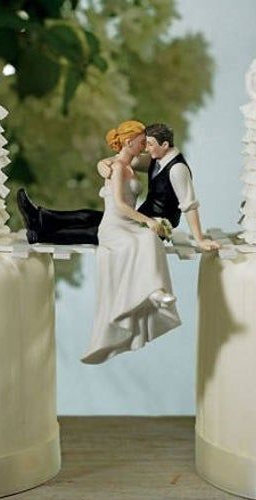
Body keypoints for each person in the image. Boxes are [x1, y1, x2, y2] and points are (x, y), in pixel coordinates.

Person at [16, 123, 220, 252]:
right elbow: (122, 162)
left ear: (164, 145)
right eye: (144, 144)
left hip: (156, 226)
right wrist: (102, 164)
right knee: (92, 216)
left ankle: (41, 234)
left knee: (100, 231)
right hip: (143, 218)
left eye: (149, 144)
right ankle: (41, 217)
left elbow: (189, 205)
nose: (145, 149)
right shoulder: (156, 161)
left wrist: (200, 239)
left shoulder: (177, 170)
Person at [79, 120, 181, 364]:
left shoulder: (132, 165)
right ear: (128, 142)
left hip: (128, 224)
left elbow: (162, 160)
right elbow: (122, 205)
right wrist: (147, 221)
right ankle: (148, 294)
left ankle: (156, 291)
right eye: (141, 142)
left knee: (149, 239)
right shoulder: (117, 169)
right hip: (115, 226)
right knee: (142, 239)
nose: (145, 146)